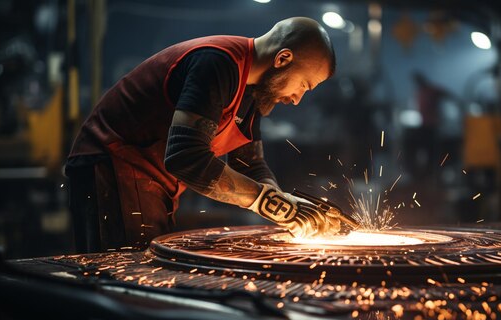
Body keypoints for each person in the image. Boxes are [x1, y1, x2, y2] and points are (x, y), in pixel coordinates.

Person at [66, 17, 341, 253]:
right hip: (112, 165)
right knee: (127, 278)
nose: (297, 99)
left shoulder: (253, 92)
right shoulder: (217, 63)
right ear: (283, 58)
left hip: (151, 181)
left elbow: (250, 165)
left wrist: (290, 211)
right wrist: (273, 204)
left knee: (146, 275)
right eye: (304, 85)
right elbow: (185, 157)